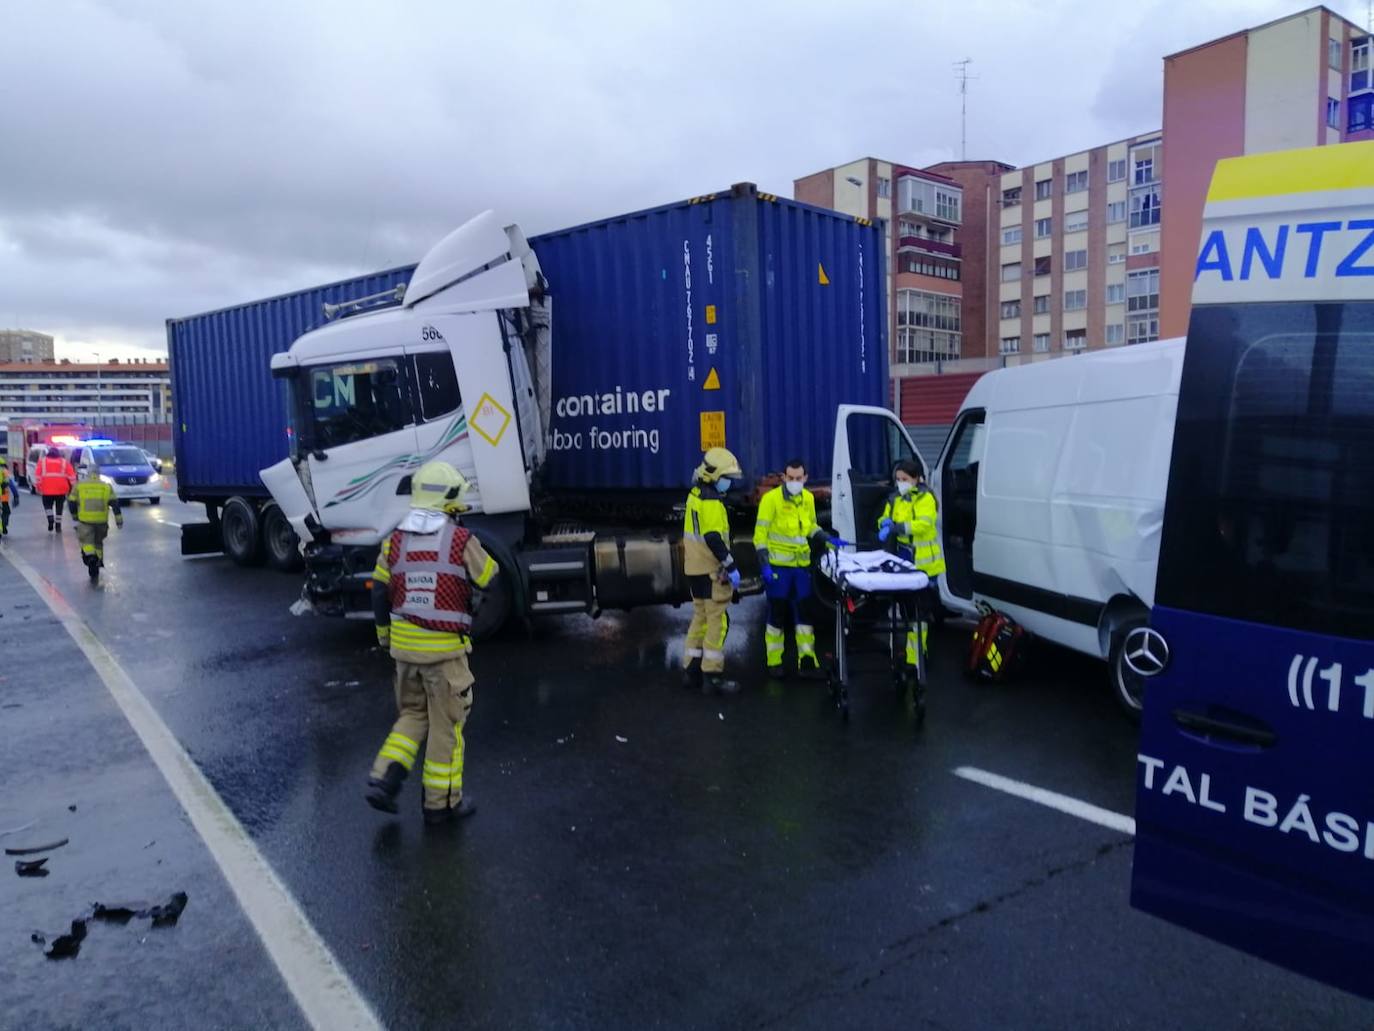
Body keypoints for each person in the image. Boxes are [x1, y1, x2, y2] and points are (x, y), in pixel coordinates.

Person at [365, 460, 499, 827]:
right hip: (444, 655)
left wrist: (383, 636)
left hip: (404, 652)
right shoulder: (459, 540)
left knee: (412, 715)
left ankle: (383, 778)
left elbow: (379, 590)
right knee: (447, 727)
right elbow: (489, 576)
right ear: (449, 504)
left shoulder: (394, 541)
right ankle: (441, 805)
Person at [753, 458, 828, 677]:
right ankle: (774, 661)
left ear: (805, 478)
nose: (794, 482)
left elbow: (810, 526)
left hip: (801, 567)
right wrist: (764, 565)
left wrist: (824, 536)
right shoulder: (770, 500)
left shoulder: (808, 498)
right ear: (784, 478)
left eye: (799, 478)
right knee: (777, 614)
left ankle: (806, 659)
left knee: (804, 613)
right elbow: (760, 536)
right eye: (791, 478)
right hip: (778, 568)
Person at [682, 446, 743, 695]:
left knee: (700, 618)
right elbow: (713, 538)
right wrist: (731, 565)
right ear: (715, 476)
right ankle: (713, 675)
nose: (729, 484)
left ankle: (691, 670)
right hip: (710, 571)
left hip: (694, 569)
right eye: (727, 479)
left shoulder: (695, 494)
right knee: (718, 620)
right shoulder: (712, 503)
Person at [878, 459, 945, 673]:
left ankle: (915, 657)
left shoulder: (926, 499)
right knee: (908, 611)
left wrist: (897, 527)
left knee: (920, 611)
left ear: (916, 479)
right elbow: (884, 517)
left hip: (925, 562)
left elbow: (924, 524)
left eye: (905, 479)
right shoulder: (895, 499)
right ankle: (915, 652)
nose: (901, 483)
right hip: (904, 557)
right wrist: (884, 524)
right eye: (898, 479)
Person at [67, 463, 122, 582]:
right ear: (98, 473)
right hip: (101, 521)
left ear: (88, 473)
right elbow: (115, 504)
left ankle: (91, 557)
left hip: (85, 521)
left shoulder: (79, 486)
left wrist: (75, 516)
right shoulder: (106, 486)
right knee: (98, 542)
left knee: (86, 541)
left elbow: (71, 502)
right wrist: (119, 521)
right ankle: (98, 561)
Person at [35, 446, 77, 532]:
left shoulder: (42, 462)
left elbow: (38, 476)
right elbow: (72, 476)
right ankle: (58, 525)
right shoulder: (64, 462)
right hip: (61, 489)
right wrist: (74, 488)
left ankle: (50, 519)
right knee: (59, 507)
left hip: (46, 489)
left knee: (47, 506)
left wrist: (38, 487)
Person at [0, 456, 18, 539]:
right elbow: (10, 484)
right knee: (6, 511)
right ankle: (3, 526)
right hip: (3, 496)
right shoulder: (4, 470)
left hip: (3, 495)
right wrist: (16, 496)